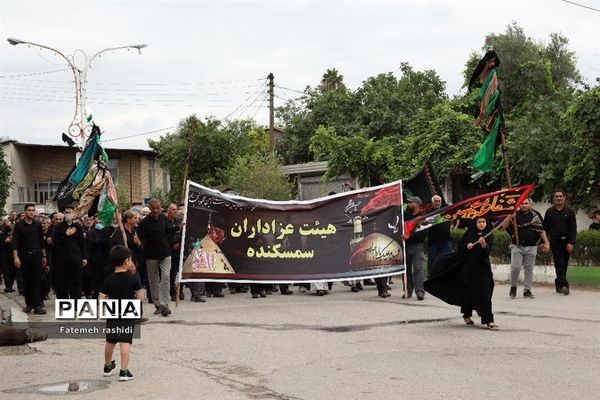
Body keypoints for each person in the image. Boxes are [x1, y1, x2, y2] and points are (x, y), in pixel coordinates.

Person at [424, 217, 498, 330]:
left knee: (485, 294)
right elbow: (460, 248)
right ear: (475, 223)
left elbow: (487, 252)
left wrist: (483, 245)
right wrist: (467, 246)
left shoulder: (489, 235)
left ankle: (489, 320)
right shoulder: (469, 233)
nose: (482, 224)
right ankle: (467, 316)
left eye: (484, 222)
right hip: (468, 268)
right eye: (479, 222)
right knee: (467, 292)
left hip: (483, 268)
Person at [99, 245, 144, 381]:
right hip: (128, 314)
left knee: (110, 341)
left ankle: (107, 366)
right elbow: (141, 297)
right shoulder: (133, 279)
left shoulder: (109, 279)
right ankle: (124, 371)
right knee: (124, 342)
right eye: (130, 260)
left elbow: (101, 299)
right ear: (126, 261)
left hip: (112, 314)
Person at [137, 199, 178, 316]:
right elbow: (139, 236)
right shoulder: (144, 223)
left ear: (160, 208)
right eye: (153, 208)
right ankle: (157, 304)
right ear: (150, 207)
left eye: (158, 208)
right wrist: (139, 244)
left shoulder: (164, 218)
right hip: (151, 255)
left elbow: (168, 231)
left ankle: (164, 304)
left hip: (165, 253)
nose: (155, 210)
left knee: (165, 277)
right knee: (153, 280)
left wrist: (179, 227)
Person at [502, 199, 550, 299]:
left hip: (532, 246)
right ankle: (513, 287)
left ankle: (527, 290)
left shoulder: (535, 215)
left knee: (529, 269)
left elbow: (541, 230)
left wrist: (546, 242)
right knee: (516, 267)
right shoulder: (515, 214)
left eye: (526, 203)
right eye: (522, 203)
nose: (524, 205)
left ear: (530, 205)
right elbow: (503, 226)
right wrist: (510, 216)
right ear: (519, 204)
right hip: (517, 246)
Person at [11, 203, 47, 314]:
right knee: (26, 280)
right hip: (24, 256)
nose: (31, 212)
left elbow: (41, 242)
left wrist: (44, 255)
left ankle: (37, 305)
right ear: (25, 211)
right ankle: (29, 304)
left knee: (37, 280)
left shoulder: (37, 225)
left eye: (33, 210)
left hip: (36, 256)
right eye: (29, 210)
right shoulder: (19, 225)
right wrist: (16, 257)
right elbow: (15, 243)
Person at [543, 190, 577, 295]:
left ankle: (558, 284)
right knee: (559, 263)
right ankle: (564, 285)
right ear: (554, 198)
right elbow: (545, 228)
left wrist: (571, 242)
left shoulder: (570, 211)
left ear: (564, 198)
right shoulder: (549, 212)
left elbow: (573, 228)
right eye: (556, 196)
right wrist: (545, 242)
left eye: (560, 196)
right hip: (555, 241)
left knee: (564, 264)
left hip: (566, 241)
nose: (558, 198)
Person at [52, 205, 88, 300]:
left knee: (76, 282)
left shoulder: (77, 226)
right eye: (66, 212)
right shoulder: (59, 227)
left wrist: (84, 257)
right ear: (64, 213)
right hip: (63, 259)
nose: (68, 214)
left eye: (70, 212)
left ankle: (76, 302)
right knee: (63, 282)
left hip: (76, 259)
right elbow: (56, 243)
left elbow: (82, 243)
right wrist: (66, 235)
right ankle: (64, 303)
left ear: (73, 213)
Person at [401, 196, 426, 300]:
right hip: (405, 246)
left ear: (416, 204)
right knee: (406, 270)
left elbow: (423, 233)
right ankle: (407, 291)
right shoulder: (405, 215)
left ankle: (420, 292)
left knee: (418, 270)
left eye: (411, 203)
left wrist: (409, 236)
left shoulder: (422, 217)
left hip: (417, 247)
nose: (409, 204)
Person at [427, 195, 452, 275]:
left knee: (447, 261)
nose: (437, 203)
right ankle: (430, 280)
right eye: (436, 201)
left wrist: (451, 207)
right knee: (432, 262)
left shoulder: (446, 212)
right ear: (432, 203)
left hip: (446, 242)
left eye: (439, 201)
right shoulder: (429, 214)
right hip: (434, 243)